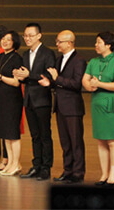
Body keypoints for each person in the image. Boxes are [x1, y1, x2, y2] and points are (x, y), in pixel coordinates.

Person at [39, 30, 86, 183]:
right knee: (65, 142)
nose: (57, 44)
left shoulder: (79, 60)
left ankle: (78, 173)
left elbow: (76, 84)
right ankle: (68, 170)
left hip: (73, 108)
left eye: (60, 41)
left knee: (76, 142)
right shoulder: (59, 60)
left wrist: (56, 78)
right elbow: (58, 83)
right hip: (60, 106)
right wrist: (49, 83)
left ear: (69, 43)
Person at [13, 23, 56, 180]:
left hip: (42, 99)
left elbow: (48, 77)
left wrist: (28, 75)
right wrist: (19, 75)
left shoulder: (47, 53)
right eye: (25, 35)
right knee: (35, 135)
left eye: (31, 35)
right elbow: (26, 77)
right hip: (29, 99)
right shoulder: (25, 54)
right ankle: (36, 165)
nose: (27, 38)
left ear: (39, 36)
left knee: (45, 135)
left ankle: (46, 167)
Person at [82, 31, 114, 186]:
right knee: (101, 140)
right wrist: (89, 86)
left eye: (99, 42)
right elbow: (85, 79)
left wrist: (98, 84)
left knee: (112, 140)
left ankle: (113, 174)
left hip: (112, 104)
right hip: (97, 103)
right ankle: (104, 174)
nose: (96, 45)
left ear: (108, 45)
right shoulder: (93, 62)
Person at [0, 30, 24, 176]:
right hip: (2, 98)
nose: (5, 42)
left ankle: (16, 164)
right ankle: (10, 163)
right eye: (3, 39)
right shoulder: (0, 57)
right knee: (5, 134)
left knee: (13, 133)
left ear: (14, 42)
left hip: (13, 99)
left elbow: (16, 82)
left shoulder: (17, 59)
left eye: (8, 39)